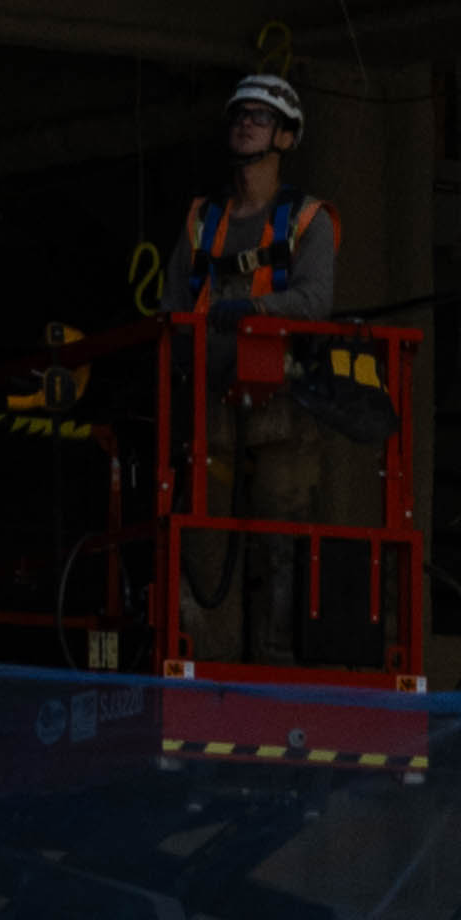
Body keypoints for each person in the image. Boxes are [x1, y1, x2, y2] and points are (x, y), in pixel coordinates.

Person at [164, 76, 352, 653]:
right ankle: (205, 671)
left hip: (282, 411)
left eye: (261, 117)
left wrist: (257, 309)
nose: (246, 123)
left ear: (287, 137)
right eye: (240, 115)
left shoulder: (309, 219)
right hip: (212, 410)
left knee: (282, 548)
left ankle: (279, 671)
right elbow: (172, 309)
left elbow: (316, 301)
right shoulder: (203, 219)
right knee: (203, 549)